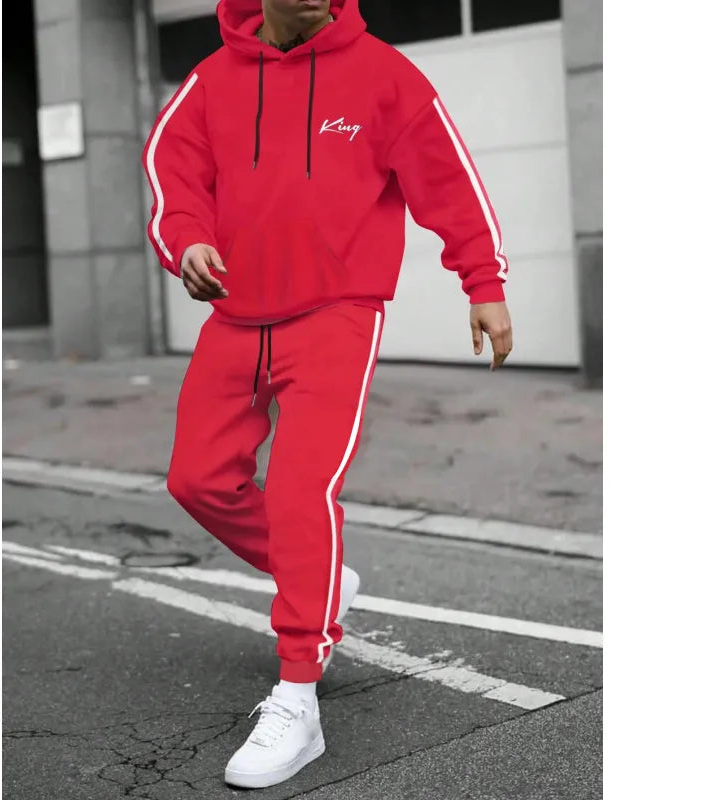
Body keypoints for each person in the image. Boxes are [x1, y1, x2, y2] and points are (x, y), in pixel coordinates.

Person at [142, 0, 513, 788]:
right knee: (196, 479)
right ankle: (321, 576)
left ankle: (298, 697)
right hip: (235, 313)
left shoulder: (383, 75)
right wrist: (189, 241)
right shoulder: (211, 81)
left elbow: (449, 181)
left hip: (337, 313)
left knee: (301, 491)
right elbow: (174, 175)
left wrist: (483, 283)